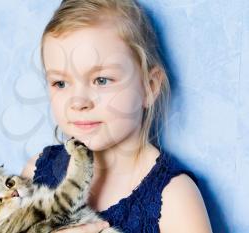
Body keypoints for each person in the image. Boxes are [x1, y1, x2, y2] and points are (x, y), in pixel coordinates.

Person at [21, 0, 212, 232]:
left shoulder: (175, 198)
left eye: (101, 80)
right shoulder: (35, 175)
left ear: (149, 87)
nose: (78, 102)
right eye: (61, 83)